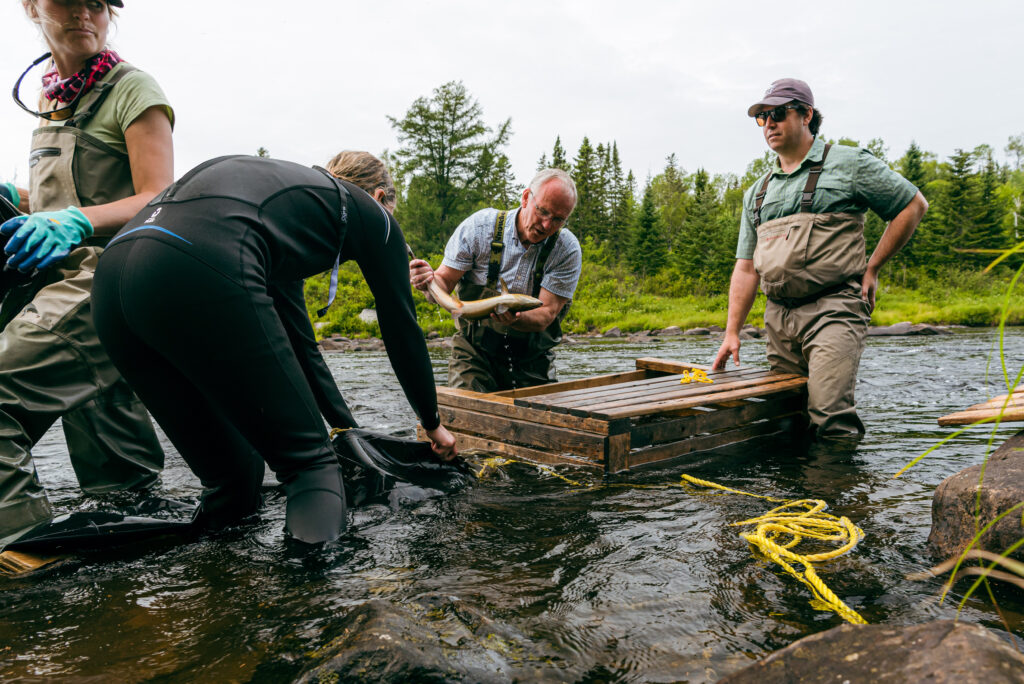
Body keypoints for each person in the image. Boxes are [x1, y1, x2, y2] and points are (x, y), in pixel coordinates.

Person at [91, 153, 458, 544]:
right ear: (380, 195)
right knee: (312, 469)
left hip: (112, 281)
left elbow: (303, 348)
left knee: (236, 478)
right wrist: (433, 425)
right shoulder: (372, 214)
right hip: (195, 262)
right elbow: (402, 328)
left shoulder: (287, 211)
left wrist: (347, 431)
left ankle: (216, 586)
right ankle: (313, 600)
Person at [0, 0, 173, 549]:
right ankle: (139, 592)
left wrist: (74, 221)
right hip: (53, 285)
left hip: (109, 280)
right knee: (120, 479)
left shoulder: (133, 89)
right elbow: (71, 192)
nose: (84, 13)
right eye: (67, 0)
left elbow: (157, 198)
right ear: (32, 7)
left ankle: (24, 561)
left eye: (97, 3)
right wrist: (21, 204)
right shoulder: (50, 97)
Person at [712, 78, 928, 437]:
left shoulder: (850, 163)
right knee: (784, 416)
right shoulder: (758, 191)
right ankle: (792, 494)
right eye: (762, 117)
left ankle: (837, 491)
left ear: (807, 114)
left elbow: (912, 205)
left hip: (835, 307)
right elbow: (746, 268)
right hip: (778, 317)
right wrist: (732, 332)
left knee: (829, 415)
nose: (769, 124)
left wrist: (873, 267)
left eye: (778, 114)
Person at [409, 169, 581, 392]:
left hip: (532, 359)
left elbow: (545, 314)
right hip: (474, 353)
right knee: (467, 415)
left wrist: (513, 319)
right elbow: (442, 282)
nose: (547, 225)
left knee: (539, 421)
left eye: (558, 219)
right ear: (526, 197)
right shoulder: (480, 228)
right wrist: (427, 283)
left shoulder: (566, 249)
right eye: (543, 212)